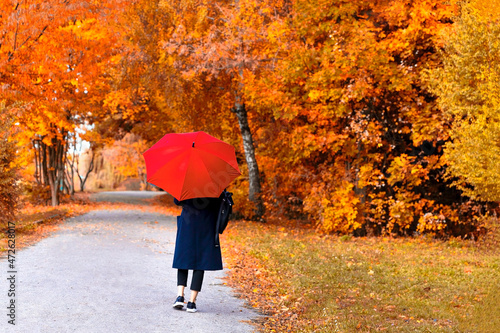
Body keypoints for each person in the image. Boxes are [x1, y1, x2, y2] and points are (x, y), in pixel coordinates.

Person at [172, 193, 223, 313]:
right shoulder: (214, 183)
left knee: (183, 258)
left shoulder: (186, 180)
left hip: (187, 223)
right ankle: (192, 302)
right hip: (206, 224)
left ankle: (180, 296)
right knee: (201, 261)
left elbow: (177, 201)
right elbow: (218, 205)